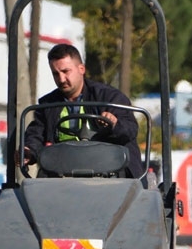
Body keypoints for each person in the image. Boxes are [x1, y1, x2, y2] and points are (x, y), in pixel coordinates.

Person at [23, 43, 143, 178]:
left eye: (65, 71)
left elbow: (130, 130)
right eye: (56, 74)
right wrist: (29, 151)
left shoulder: (109, 98)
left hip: (107, 173)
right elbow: (36, 134)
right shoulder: (47, 105)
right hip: (63, 174)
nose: (61, 79)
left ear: (81, 69)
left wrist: (114, 124)